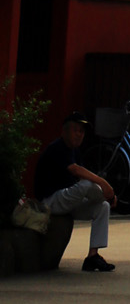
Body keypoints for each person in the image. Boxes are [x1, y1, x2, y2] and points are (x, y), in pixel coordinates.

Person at [33, 112, 116, 274]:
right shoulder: (57, 148)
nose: (79, 134)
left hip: (67, 201)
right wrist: (104, 184)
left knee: (103, 207)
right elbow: (76, 171)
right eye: (76, 130)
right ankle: (111, 197)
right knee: (87, 184)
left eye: (82, 131)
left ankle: (93, 256)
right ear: (64, 132)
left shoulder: (75, 151)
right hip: (50, 201)